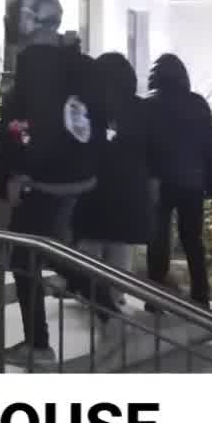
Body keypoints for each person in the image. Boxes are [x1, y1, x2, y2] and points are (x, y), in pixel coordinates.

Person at [0, 0, 110, 366]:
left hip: (45, 176)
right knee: (52, 250)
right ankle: (108, 312)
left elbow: (34, 122)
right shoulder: (74, 61)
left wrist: (22, 172)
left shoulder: (38, 61)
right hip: (74, 172)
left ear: (27, 19)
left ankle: (40, 344)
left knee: (27, 256)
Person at [72, 52, 154, 304]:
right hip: (131, 187)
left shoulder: (92, 109)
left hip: (96, 185)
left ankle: (90, 293)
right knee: (120, 244)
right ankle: (116, 294)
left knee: (92, 242)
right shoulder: (141, 109)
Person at [142, 52, 212, 304]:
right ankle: (201, 295)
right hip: (192, 182)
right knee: (193, 240)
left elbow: (142, 147)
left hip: (159, 184)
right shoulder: (197, 104)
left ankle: (155, 297)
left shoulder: (148, 105)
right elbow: (211, 146)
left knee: (158, 241)